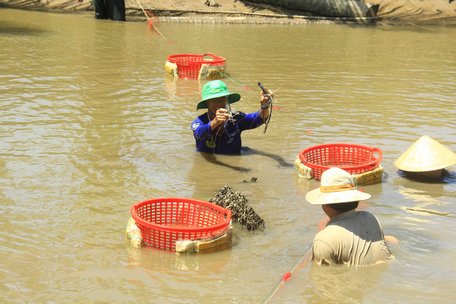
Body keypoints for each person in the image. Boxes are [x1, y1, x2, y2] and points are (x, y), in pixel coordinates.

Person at [305, 167, 394, 266]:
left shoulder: (323, 240)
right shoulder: (371, 218)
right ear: (356, 200)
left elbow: (322, 278)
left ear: (324, 205)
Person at [191, 80, 270, 154]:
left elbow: (259, 119)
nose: (219, 103)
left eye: (222, 98)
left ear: (227, 100)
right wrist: (215, 122)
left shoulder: (236, 118)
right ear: (207, 103)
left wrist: (265, 106)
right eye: (214, 99)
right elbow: (199, 134)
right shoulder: (199, 121)